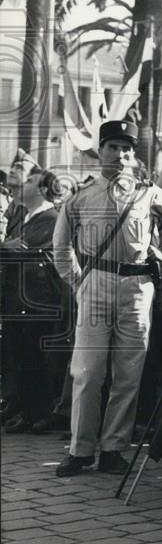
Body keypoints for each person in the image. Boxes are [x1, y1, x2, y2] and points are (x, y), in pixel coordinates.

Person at [52, 120, 162, 477]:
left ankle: (114, 447)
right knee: (88, 372)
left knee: (128, 373)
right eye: (113, 147)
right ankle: (81, 450)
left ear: (133, 156)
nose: (120, 155)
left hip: (137, 288)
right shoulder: (81, 196)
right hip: (96, 283)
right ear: (100, 151)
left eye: (127, 149)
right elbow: (61, 244)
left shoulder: (148, 194)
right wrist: (77, 283)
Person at [0, 166, 70, 433]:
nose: (23, 183)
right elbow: (11, 248)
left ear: (42, 189)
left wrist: (5, 249)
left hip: (37, 302)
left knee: (36, 358)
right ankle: (28, 412)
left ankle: (40, 412)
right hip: (16, 300)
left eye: (29, 180)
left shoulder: (51, 218)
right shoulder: (25, 216)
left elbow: (27, 252)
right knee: (20, 357)